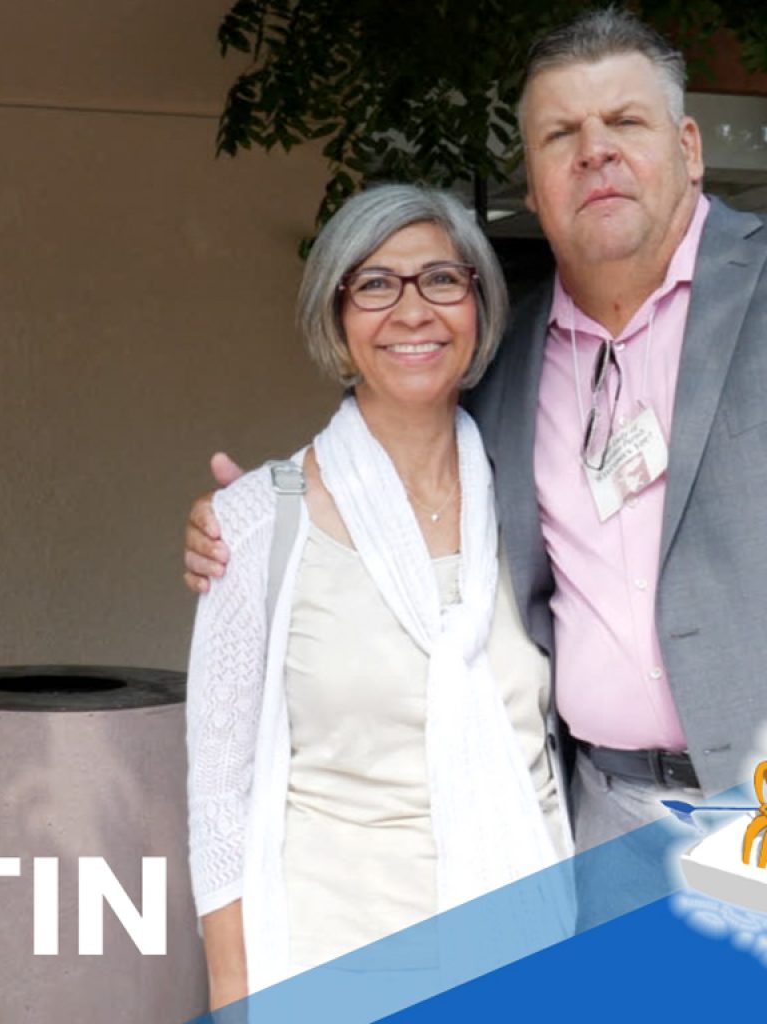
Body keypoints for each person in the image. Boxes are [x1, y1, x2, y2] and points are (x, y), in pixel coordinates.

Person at [184, 8, 767, 862]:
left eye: (625, 123)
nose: (594, 150)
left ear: (688, 146)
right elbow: (400, 481)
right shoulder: (500, 367)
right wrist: (243, 522)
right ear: (531, 183)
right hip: (599, 820)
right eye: (561, 133)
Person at [186, 184, 572, 1008]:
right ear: (337, 317)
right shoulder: (256, 524)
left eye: (441, 279)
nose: (411, 310)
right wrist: (233, 995)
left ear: (478, 303)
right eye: (375, 283)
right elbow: (219, 798)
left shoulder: (536, 503)